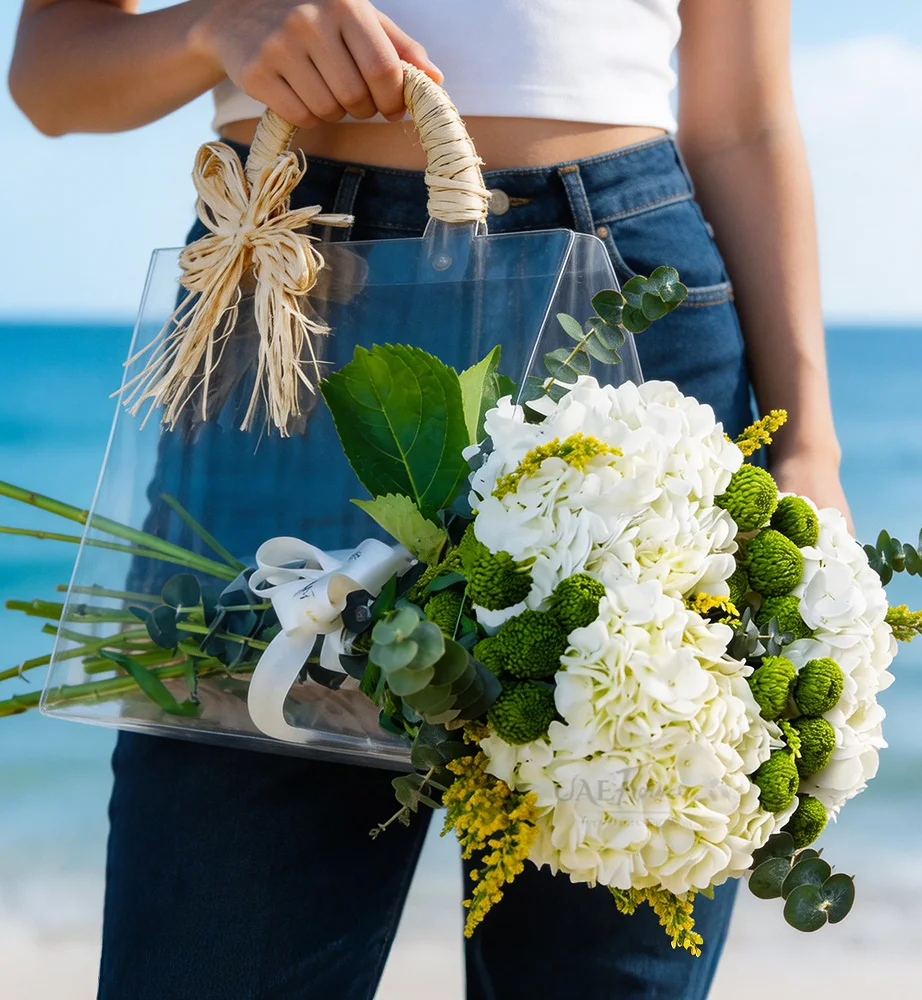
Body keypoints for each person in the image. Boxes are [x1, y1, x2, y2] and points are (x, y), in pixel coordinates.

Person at [9, 2, 852, 998]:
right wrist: (217, 28)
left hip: (624, 312)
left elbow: (742, 120)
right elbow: (53, 75)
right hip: (282, 303)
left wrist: (808, 445)